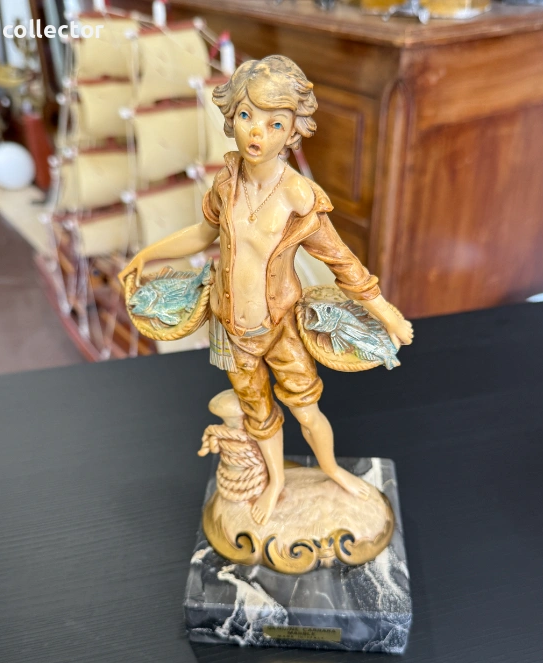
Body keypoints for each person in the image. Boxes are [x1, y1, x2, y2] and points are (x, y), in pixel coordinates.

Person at [118, 55, 413, 524]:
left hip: (280, 327)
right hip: (231, 330)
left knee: (307, 409)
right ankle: (276, 481)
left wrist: (387, 312)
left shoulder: (298, 197)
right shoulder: (226, 184)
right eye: (246, 115)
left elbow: (341, 260)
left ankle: (332, 470)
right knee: (259, 414)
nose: (257, 132)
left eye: (275, 123)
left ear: (294, 130)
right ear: (231, 117)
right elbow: (202, 234)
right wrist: (147, 254)